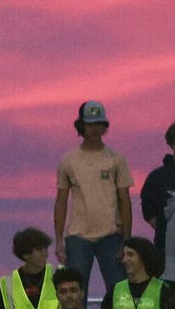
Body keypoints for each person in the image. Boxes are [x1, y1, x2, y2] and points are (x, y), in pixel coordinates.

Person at [54, 101, 133, 298]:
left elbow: (125, 200)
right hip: (78, 236)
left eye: (99, 124)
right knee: (75, 293)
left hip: (111, 234)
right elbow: (61, 201)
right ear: (81, 125)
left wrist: (127, 239)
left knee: (118, 292)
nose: (95, 129)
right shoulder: (68, 160)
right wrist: (58, 240)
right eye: (90, 124)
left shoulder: (116, 159)